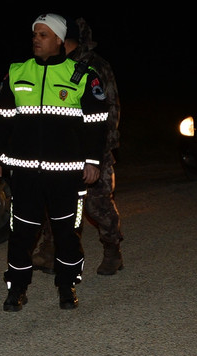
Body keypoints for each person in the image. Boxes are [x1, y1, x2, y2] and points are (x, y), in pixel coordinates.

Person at [0, 13, 108, 311]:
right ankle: (16, 288)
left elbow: (97, 121)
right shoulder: (17, 71)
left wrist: (93, 161)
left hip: (67, 174)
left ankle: (67, 286)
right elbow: (2, 119)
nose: (36, 39)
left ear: (58, 39)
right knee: (21, 233)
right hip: (25, 172)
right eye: (34, 34)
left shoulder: (82, 74)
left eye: (43, 35)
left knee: (67, 234)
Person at [32, 17, 124, 276]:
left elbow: (110, 108)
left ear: (66, 38)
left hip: (93, 148)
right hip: (61, 150)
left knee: (97, 204)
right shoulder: (52, 65)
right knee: (56, 201)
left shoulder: (96, 66)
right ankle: (52, 250)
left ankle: (112, 250)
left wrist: (101, 151)